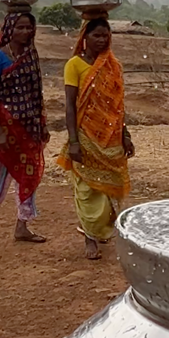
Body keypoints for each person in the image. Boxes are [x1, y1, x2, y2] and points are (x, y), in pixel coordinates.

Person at [58, 15, 133, 259]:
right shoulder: (74, 65)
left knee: (110, 188)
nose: (102, 40)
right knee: (86, 189)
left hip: (111, 138)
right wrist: (74, 141)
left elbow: (118, 106)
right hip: (84, 135)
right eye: (96, 35)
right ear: (85, 37)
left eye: (105, 35)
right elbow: (70, 105)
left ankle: (103, 232)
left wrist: (125, 134)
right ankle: (89, 236)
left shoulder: (114, 66)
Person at [0, 9, 47, 244]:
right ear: (9, 29)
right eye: (20, 27)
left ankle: (22, 225)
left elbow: (37, 93)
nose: (25, 32)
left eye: (29, 27)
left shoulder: (31, 56)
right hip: (5, 126)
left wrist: (41, 124)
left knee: (28, 175)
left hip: (29, 127)